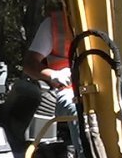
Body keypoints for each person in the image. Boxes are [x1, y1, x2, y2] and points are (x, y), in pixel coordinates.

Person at [23, 8, 80, 146]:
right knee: (80, 111)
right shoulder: (55, 24)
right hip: (68, 90)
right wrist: (54, 75)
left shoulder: (116, 18)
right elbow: (29, 64)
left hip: (111, 88)